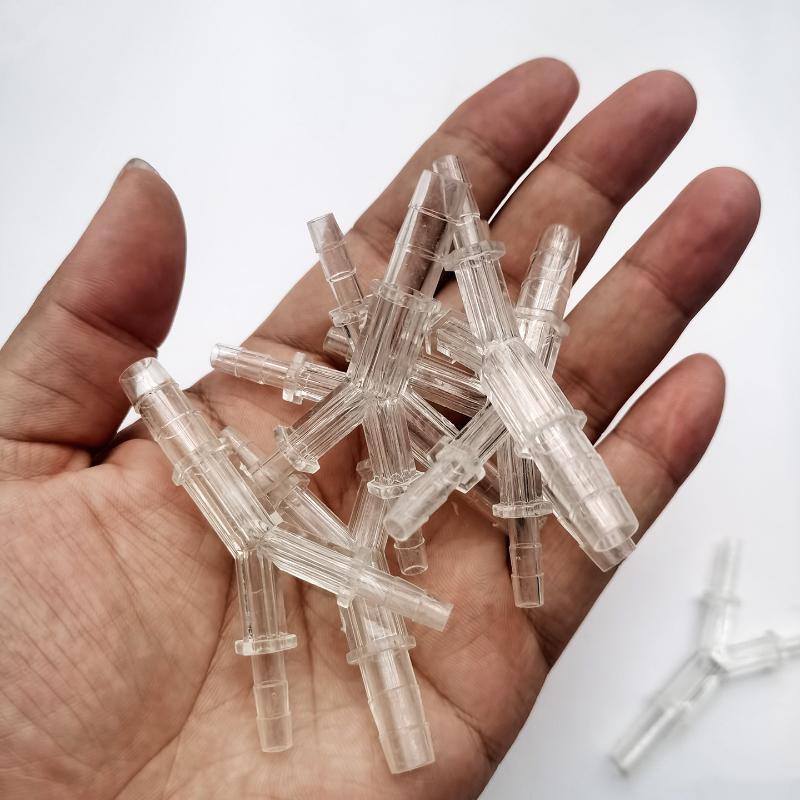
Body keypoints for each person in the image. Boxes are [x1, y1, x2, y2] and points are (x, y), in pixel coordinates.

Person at [0, 59, 760, 799]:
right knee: (357, 514)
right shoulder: (421, 380)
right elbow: (301, 500)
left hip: (444, 405)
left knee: (439, 444)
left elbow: (394, 405)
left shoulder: (468, 363)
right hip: (398, 436)